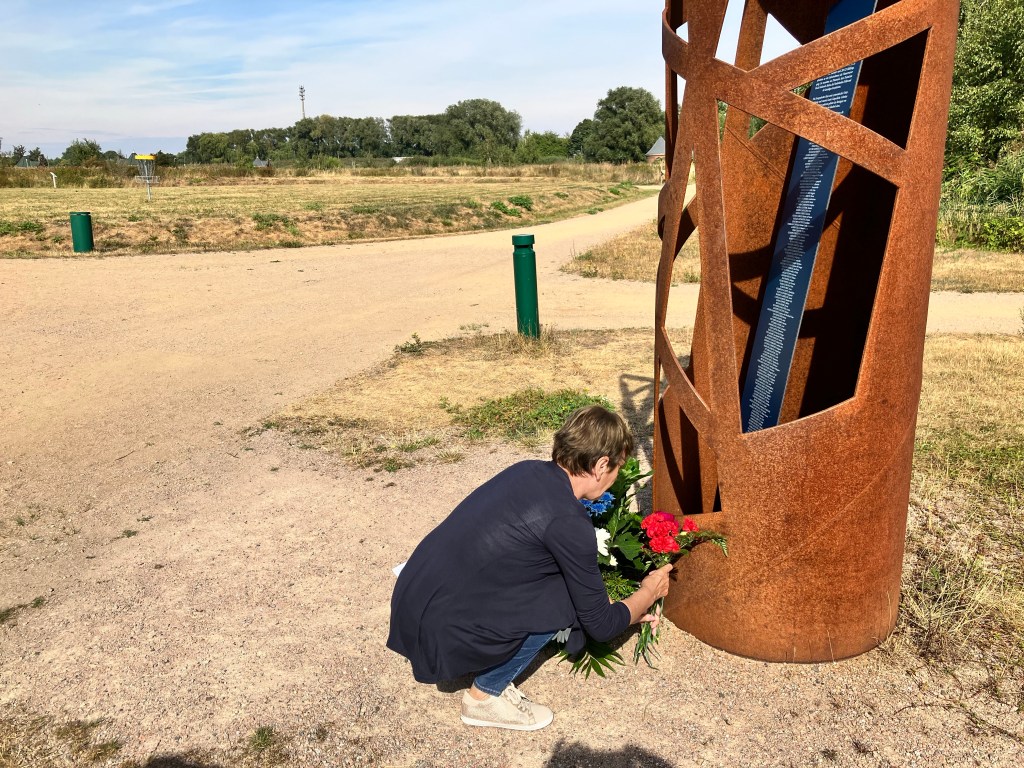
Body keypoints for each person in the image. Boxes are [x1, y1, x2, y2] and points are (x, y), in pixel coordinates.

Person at [386, 404, 672, 731]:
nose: (616, 477)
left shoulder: (527, 470)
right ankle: (485, 698)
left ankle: (477, 646)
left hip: (413, 601)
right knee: (561, 600)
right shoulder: (567, 519)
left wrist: (616, 604)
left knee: (555, 580)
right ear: (601, 465)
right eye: (617, 467)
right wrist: (648, 592)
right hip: (436, 633)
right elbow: (602, 625)